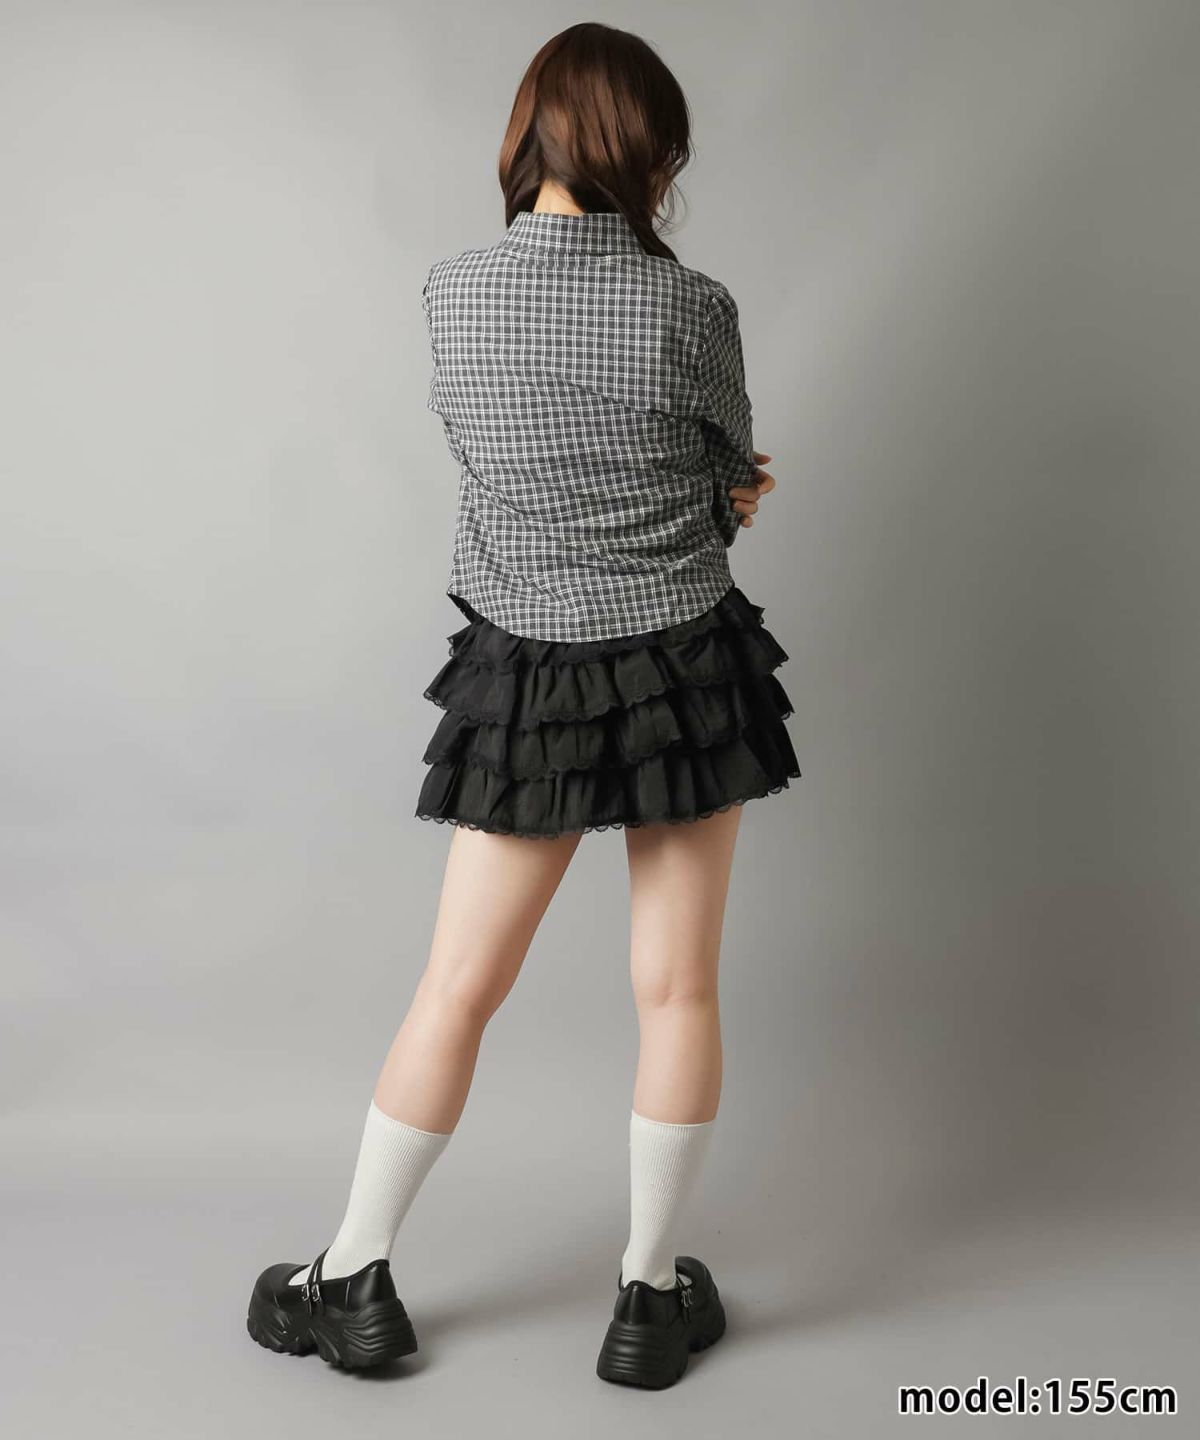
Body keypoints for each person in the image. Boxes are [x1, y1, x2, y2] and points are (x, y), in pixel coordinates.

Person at [246, 20, 800, 1391]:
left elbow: (492, 460)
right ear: (653, 151)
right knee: (678, 987)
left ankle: (353, 1278)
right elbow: (730, 477)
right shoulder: (694, 307)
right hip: (685, 669)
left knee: (457, 987)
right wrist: (728, 497)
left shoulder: (455, 292)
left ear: (528, 135)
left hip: (529, 674)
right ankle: (647, 1299)